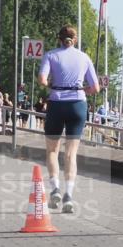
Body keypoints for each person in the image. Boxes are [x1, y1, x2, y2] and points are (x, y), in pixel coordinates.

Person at [38, 24, 101, 214]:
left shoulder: (51, 55)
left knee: (52, 151)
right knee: (71, 154)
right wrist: (83, 90)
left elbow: (42, 80)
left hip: (57, 104)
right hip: (78, 105)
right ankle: (69, 196)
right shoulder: (84, 57)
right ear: (75, 40)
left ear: (59, 39)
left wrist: (52, 86)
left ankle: (55, 189)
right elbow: (95, 88)